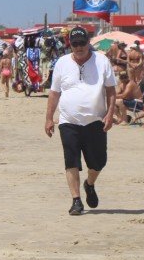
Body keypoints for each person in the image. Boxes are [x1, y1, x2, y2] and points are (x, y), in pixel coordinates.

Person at [44, 27, 116, 216]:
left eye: (82, 43)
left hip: (95, 121)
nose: (78, 47)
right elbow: (54, 92)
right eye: (74, 44)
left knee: (98, 162)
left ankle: (89, 183)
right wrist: (49, 118)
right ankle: (76, 201)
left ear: (88, 42)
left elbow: (110, 90)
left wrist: (110, 114)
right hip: (68, 121)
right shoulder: (61, 63)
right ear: (70, 44)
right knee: (71, 160)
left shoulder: (102, 61)